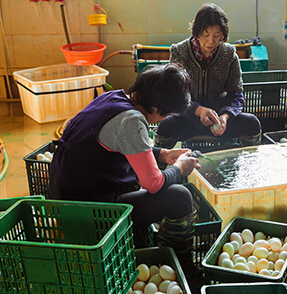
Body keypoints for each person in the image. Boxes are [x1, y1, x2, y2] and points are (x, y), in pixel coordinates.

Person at [48, 63, 202, 275]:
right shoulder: (132, 121)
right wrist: (179, 168)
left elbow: (123, 144)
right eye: (166, 114)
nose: (164, 119)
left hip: (65, 196)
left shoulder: (112, 98)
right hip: (87, 212)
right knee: (179, 197)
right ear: (157, 109)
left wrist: (163, 154)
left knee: (142, 177)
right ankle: (181, 266)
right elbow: (154, 184)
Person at [154, 3, 261, 150]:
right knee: (166, 126)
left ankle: (247, 161)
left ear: (223, 34)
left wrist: (225, 116)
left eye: (217, 35)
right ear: (196, 31)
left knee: (251, 122)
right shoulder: (179, 52)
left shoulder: (228, 54)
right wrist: (198, 110)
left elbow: (236, 93)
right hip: (188, 120)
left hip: (219, 121)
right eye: (205, 34)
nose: (211, 41)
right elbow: (174, 94)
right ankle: (159, 164)